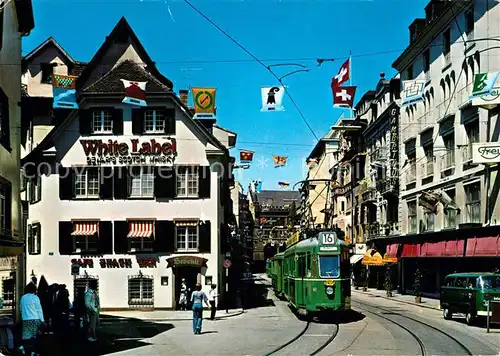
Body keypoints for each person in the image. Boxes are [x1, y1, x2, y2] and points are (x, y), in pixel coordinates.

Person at [19, 282, 45, 355]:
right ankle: (34, 352)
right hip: (35, 319)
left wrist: (24, 315)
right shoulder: (35, 297)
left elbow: (21, 309)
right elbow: (39, 310)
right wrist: (42, 321)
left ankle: (26, 349)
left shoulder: (23, 297)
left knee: (27, 337)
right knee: (36, 336)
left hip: (25, 319)